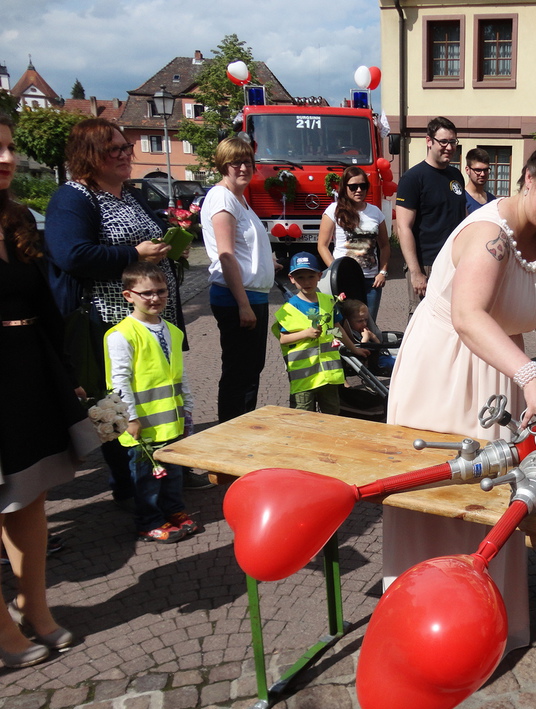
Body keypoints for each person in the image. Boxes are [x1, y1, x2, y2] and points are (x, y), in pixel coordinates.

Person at [384, 136, 536, 653]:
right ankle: (424, 626)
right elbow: (468, 316)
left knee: (494, 496)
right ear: (528, 176)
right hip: (447, 374)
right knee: (444, 497)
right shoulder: (488, 235)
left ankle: (477, 622)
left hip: (503, 373)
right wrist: (532, 380)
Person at [46, 118, 188, 505]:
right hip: (108, 322)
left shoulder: (131, 194)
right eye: (116, 149)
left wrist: (167, 245)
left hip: (154, 318)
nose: (127, 154)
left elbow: (151, 236)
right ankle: (131, 488)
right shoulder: (73, 197)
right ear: (89, 154)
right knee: (118, 405)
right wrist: (134, 254)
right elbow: (70, 254)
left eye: (127, 147)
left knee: (158, 394)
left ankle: (167, 471)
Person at [0, 113, 97, 667]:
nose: (8, 159)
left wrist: (62, 371)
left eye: (10, 148)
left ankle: (33, 606)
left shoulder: (16, 220)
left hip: (27, 372)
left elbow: (42, 303)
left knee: (30, 498)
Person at [104, 262, 199, 543]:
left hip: (172, 420)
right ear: (129, 295)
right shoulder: (121, 335)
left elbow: (179, 375)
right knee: (146, 479)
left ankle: (174, 510)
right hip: (143, 426)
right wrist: (130, 418)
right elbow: (119, 382)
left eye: (161, 291)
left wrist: (188, 408)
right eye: (146, 293)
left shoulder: (173, 330)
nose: (155, 298)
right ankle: (149, 521)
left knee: (172, 474)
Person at [200, 138, 276, 424]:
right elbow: (226, 255)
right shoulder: (222, 198)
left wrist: (268, 262)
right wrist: (243, 305)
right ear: (223, 165)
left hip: (253, 294)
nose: (244, 167)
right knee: (239, 373)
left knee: (250, 369)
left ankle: (242, 429)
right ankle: (232, 432)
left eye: (248, 161)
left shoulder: (239, 197)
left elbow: (244, 248)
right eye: (236, 162)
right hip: (238, 298)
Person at [395, 117, 465, 310]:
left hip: (453, 262)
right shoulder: (413, 178)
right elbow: (404, 228)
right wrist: (416, 272)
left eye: (453, 142)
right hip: (427, 264)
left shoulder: (456, 175)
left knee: (453, 318)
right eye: (443, 142)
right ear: (429, 141)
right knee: (423, 321)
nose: (449, 147)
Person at [272, 253, 346, 415]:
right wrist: (306, 333)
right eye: (300, 278)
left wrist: (353, 348)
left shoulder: (328, 301)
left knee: (332, 415)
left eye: (311, 276)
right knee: (302, 417)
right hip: (304, 378)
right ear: (292, 279)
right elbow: (283, 339)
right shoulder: (289, 308)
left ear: (319, 276)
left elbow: (336, 329)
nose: (306, 282)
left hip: (328, 375)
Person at [316, 166, 390, 320]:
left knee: (368, 325)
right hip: (343, 280)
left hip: (371, 281)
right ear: (345, 187)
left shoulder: (375, 212)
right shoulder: (333, 210)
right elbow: (322, 245)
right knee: (344, 325)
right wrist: (334, 271)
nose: (358, 190)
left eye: (363, 186)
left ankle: (367, 346)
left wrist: (382, 272)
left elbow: (384, 245)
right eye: (353, 186)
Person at [463, 148, 496, 215]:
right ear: (467, 170)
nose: (482, 174)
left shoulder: (493, 200)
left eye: (486, 170)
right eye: (478, 170)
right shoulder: (462, 199)